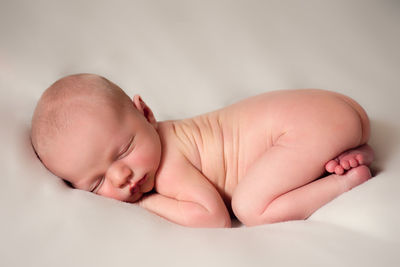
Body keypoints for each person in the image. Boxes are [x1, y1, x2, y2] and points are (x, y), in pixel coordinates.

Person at [30, 73, 374, 228]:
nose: (121, 177)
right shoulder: (169, 137)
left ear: (146, 113)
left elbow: (214, 218)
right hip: (330, 115)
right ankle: (344, 152)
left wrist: (147, 201)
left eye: (123, 151)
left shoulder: (169, 164)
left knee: (250, 208)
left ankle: (346, 181)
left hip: (306, 124)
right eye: (96, 183)